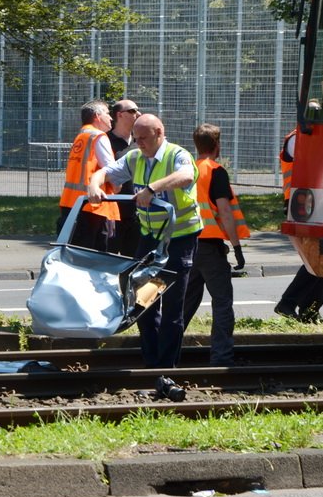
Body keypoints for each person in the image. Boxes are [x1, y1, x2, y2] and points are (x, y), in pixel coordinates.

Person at [88, 113, 203, 368]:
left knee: (173, 308)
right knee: (144, 303)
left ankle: (166, 368)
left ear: (160, 133)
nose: (138, 143)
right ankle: (152, 364)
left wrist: (152, 189)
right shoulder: (135, 157)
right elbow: (104, 172)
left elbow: (185, 176)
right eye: (136, 138)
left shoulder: (177, 155)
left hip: (179, 240)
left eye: (144, 138)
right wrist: (95, 185)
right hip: (151, 240)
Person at [181, 123, 249, 366]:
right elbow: (225, 213)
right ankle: (221, 358)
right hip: (210, 247)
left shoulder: (188, 169)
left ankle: (168, 351)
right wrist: (237, 247)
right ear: (217, 145)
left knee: (185, 303)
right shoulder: (216, 171)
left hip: (186, 245)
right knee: (222, 303)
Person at [274, 129, 323, 322]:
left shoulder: (310, 136)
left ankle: (310, 309)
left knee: (320, 256)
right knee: (317, 257)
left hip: (311, 202)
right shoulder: (297, 138)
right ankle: (287, 303)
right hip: (300, 203)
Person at [57, 100, 119, 250]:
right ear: (97, 116)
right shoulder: (98, 136)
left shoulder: (82, 136)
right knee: (94, 257)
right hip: (93, 206)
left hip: (72, 203)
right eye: (107, 113)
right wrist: (117, 187)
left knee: (74, 254)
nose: (111, 118)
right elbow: (112, 170)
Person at [106, 99, 141, 256]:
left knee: (133, 266)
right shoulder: (104, 141)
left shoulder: (140, 143)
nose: (138, 114)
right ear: (119, 115)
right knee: (107, 264)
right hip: (112, 214)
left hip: (136, 214)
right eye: (133, 111)